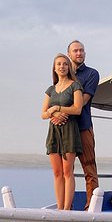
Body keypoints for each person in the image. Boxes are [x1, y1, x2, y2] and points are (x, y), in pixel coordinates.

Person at [51, 40, 100, 209]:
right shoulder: (62, 73)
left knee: (89, 169)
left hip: (83, 127)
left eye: (82, 50)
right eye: (75, 51)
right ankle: (66, 208)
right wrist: (55, 115)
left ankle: (91, 208)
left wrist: (61, 113)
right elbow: (54, 98)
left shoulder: (92, 74)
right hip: (64, 130)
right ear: (69, 53)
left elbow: (84, 100)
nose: (79, 53)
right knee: (65, 171)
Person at [42, 54, 84, 210]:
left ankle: (67, 209)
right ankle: (59, 208)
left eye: (65, 64)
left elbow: (77, 109)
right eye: (58, 64)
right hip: (54, 132)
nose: (62, 66)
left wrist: (58, 108)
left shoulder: (75, 86)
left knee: (68, 172)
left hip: (69, 131)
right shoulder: (50, 90)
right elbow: (43, 114)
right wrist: (53, 113)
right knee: (57, 172)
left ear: (69, 67)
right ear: (54, 68)